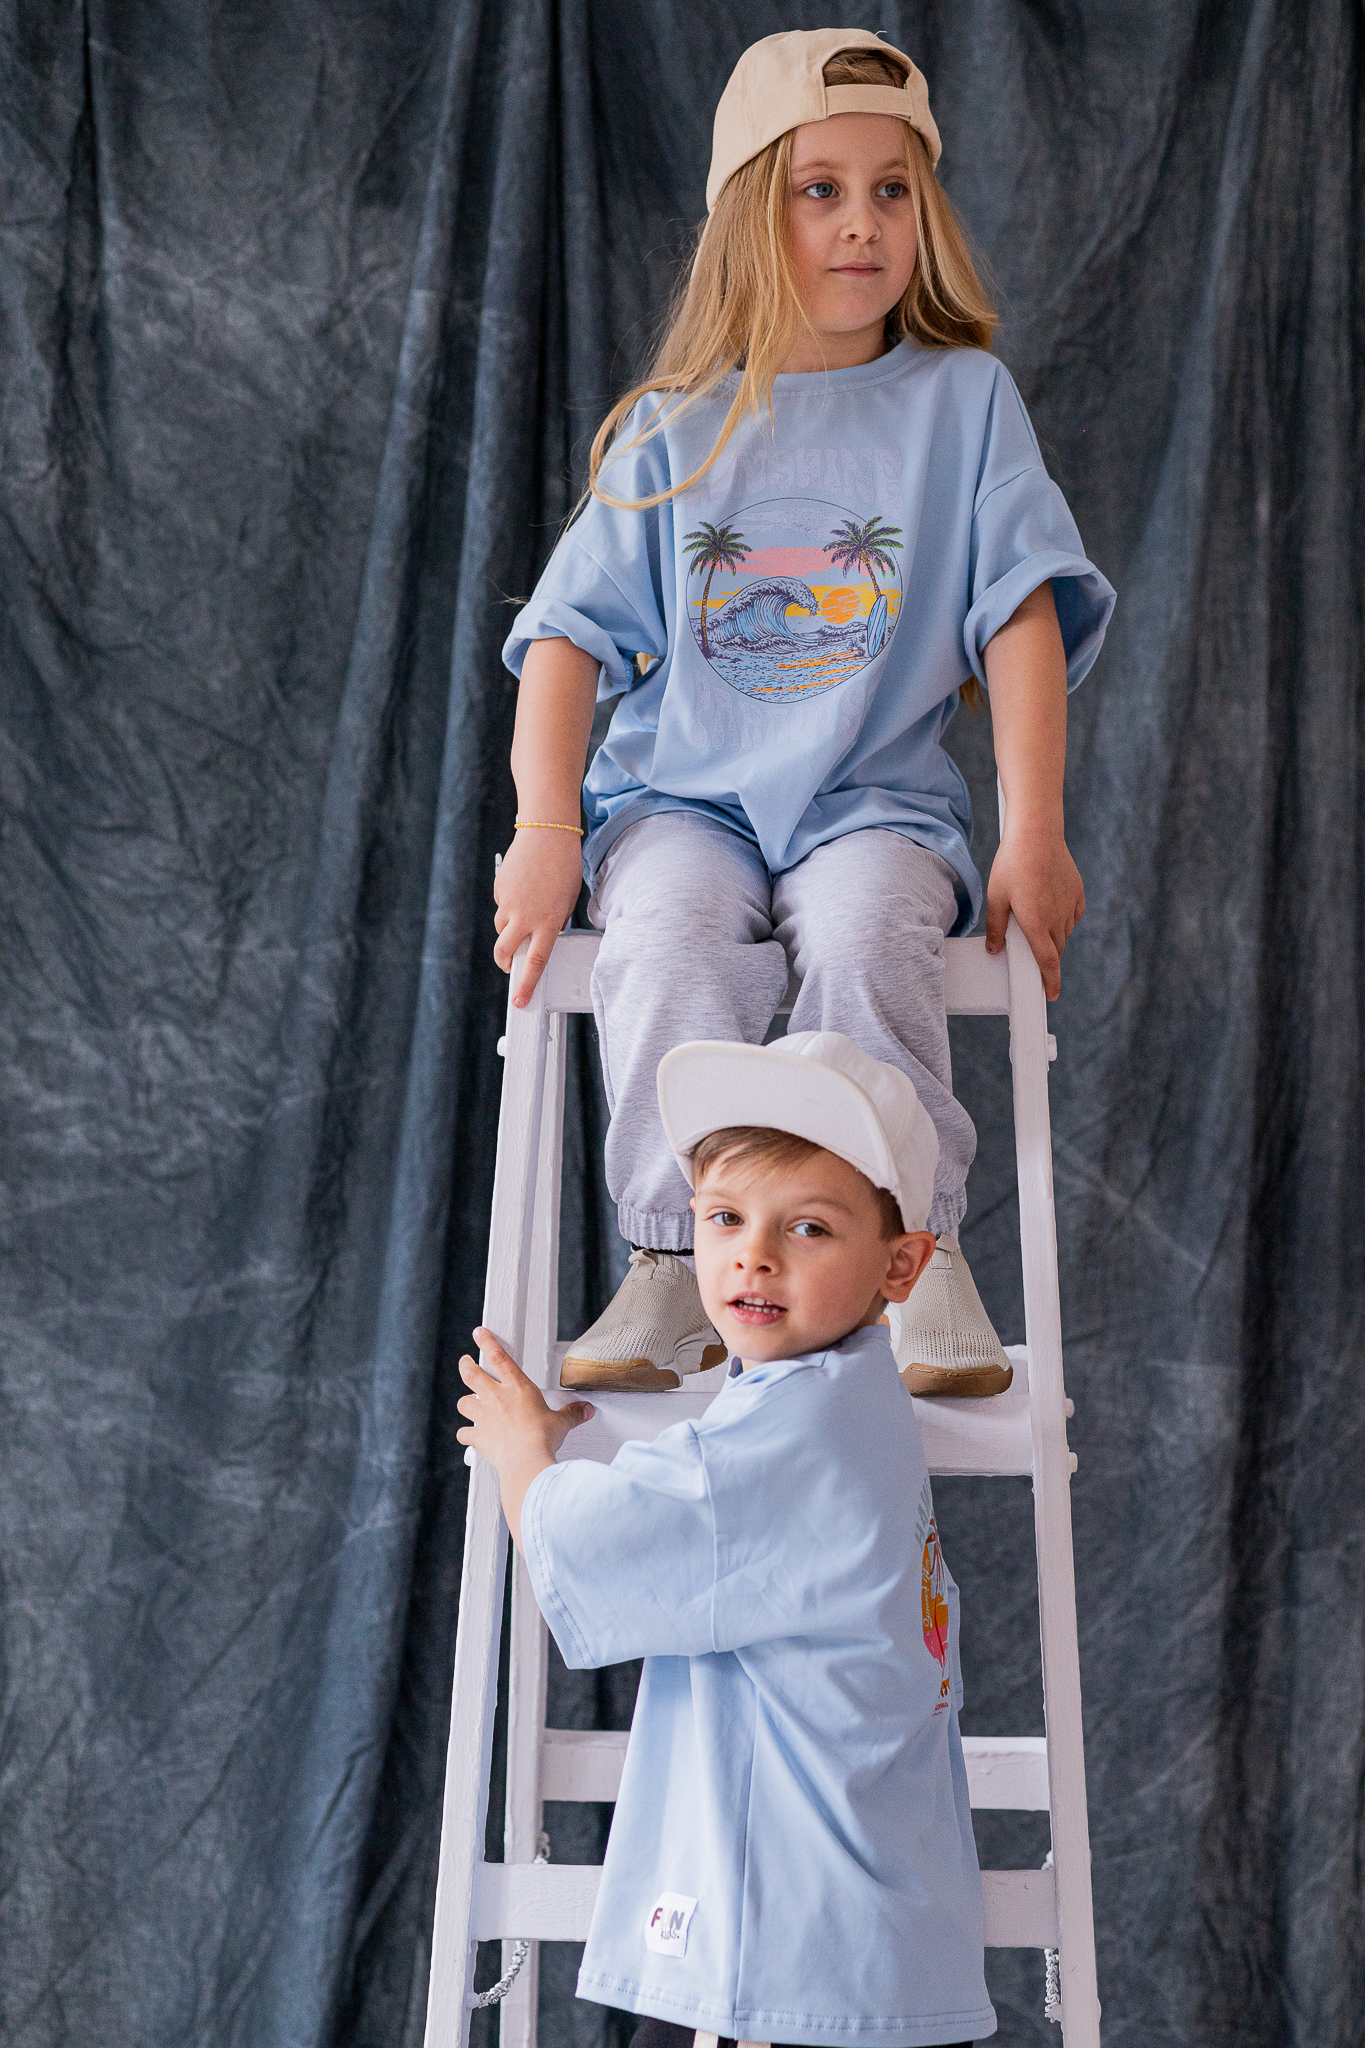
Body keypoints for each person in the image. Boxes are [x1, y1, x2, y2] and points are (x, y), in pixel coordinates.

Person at [496, 29, 1115, 1398]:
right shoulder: (679, 424)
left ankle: (916, 1249)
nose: (861, 224)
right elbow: (564, 639)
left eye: (893, 190)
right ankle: (674, 1253)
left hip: (869, 807)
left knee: (865, 931)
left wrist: (1034, 831)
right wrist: (547, 830)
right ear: (748, 215)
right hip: (684, 805)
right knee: (664, 933)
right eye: (818, 190)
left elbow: (1018, 609)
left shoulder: (963, 403)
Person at [457, 1031, 995, 2048]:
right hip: (871, 1950)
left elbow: (586, 1545)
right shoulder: (856, 1403)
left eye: (808, 1226)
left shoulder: (784, 1437)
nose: (754, 1253)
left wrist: (524, 1449)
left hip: (786, 1962)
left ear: (901, 1265)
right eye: (723, 1217)